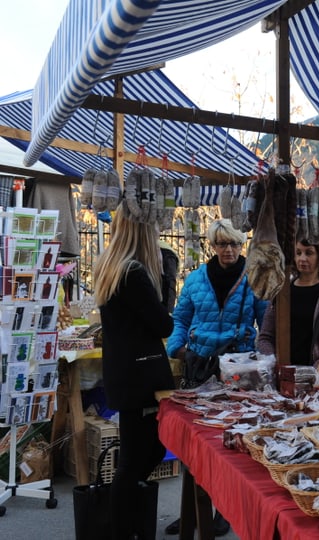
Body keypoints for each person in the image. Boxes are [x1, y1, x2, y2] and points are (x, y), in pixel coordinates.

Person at [164, 219, 267, 537]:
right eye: (223, 244)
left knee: (233, 441)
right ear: (213, 246)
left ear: (241, 245)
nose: (229, 250)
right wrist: (176, 347)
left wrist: (264, 359)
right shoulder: (195, 280)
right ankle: (193, 510)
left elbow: (266, 323)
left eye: (235, 244)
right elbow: (180, 317)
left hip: (239, 365)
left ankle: (225, 509)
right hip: (199, 363)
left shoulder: (254, 281)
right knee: (196, 440)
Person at [93, 204, 175, 540]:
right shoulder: (133, 274)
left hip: (123, 374)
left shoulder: (108, 267)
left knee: (139, 453)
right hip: (142, 379)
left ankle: (126, 525)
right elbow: (163, 324)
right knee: (139, 456)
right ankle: (123, 528)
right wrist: (168, 279)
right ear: (143, 231)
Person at [257, 238, 319, 365]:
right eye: (298, 252)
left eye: (309, 253)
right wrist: (273, 361)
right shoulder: (280, 293)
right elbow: (265, 337)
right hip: (283, 375)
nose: (302, 258)